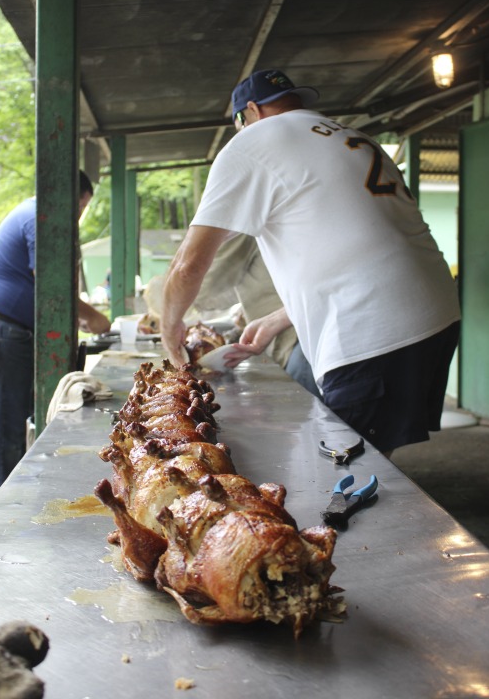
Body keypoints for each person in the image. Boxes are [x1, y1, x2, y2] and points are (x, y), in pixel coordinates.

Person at [161, 69, 461, 457]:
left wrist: (170, 330)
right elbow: (361, 246)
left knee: (342, 472)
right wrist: (276, 319)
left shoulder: (252, 141)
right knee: (373, 460)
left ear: (249, 112)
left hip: (371, 332)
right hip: (436, 317)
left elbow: (189, 265)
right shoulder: (349, 135)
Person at [0, 170, 110, 503]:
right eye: (81, 206)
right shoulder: (39, 216)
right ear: (68, 197)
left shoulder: (35, 214)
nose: (79, 215)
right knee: (5, 437)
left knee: (11, 431)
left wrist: (82, 317)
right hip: (0, 333)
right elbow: (51, 284)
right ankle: (0, 525)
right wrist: (94, 317)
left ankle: (10, 510)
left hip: (5, 331)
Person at [196, 233, 319, 396]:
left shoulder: (240, 227)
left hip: (299, 344)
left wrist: (169, 308)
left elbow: (201, 289)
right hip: (300, 339)